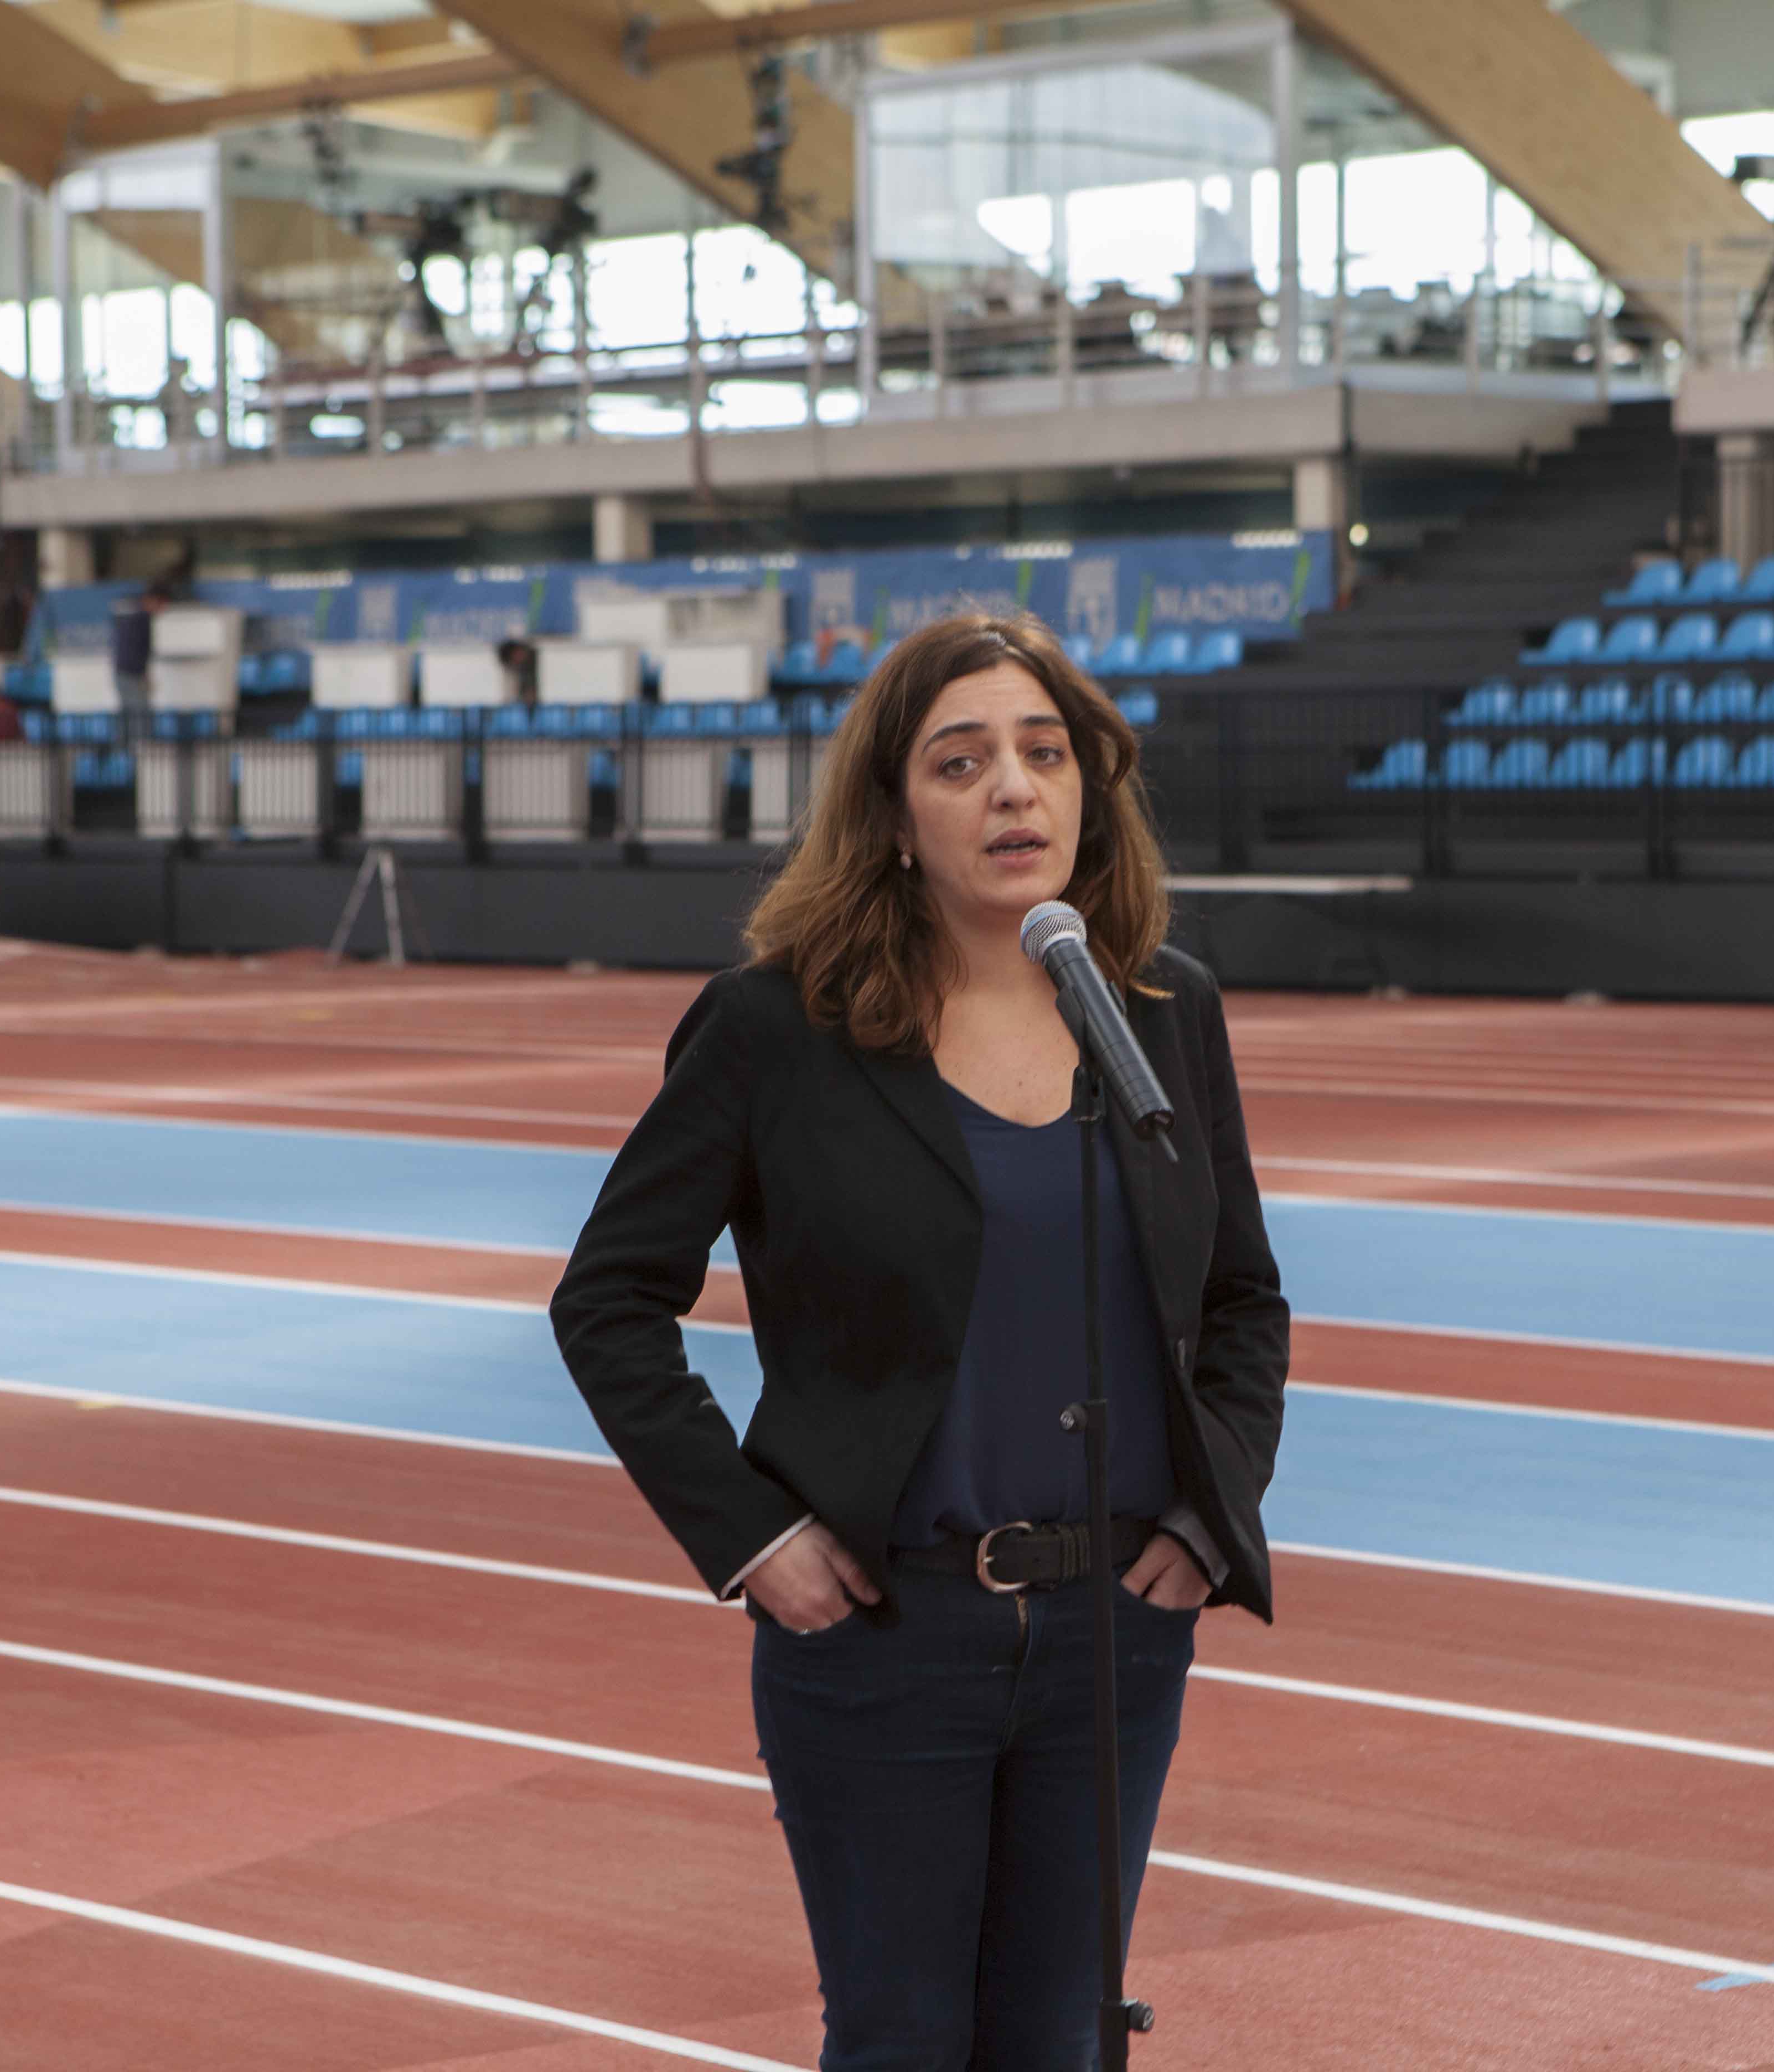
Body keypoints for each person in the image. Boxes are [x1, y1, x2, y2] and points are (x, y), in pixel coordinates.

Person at [550, 610, 1287, 2068]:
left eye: (1044, 754)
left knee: (1061, 2040)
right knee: (898, 2039)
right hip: (891, 1636)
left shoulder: (1162, 1011)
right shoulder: (777, 1031)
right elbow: (609, 1297)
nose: (1014, 789)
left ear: (1089, 791)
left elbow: (1244, 1300)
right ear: (891, 816)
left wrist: (1213, 1516)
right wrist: (754, 1536)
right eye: (961, 763)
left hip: (1114, 1637)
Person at [110, 581, 164, 719]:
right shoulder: (140, 620)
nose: (162, 609)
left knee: (129, 714)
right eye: (161, 604)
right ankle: (139, 741)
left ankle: (129, 741)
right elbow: (134, 651)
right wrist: (142, 676)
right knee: (139, 714)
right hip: (130, 674)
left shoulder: (137, 617)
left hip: (125, 672)